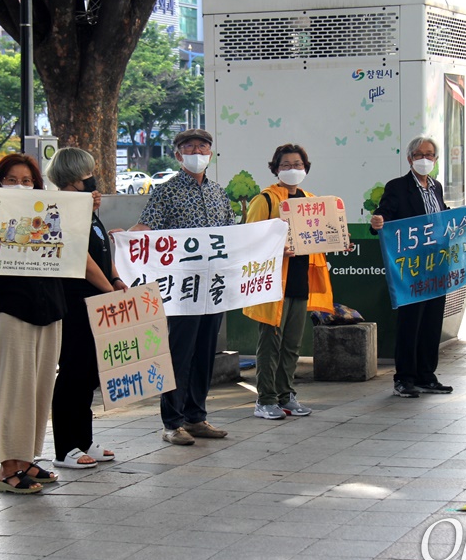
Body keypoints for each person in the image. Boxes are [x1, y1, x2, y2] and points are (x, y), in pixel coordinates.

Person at [0, 154, 65, 493]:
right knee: (13, 391)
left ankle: (27, 458)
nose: (20, 185)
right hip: (12, 310)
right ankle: (8, 467)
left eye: (27, 180)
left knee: (39, 389)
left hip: (51, 311)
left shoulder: (50, 214)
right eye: (11, 179)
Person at [129, 129, 235, 445]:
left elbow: (233, 234)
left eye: (203, 146)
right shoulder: (167, 192)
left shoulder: (219, 192)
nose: (197, 151)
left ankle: (197, 416)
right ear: (178, 155)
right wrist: (126, 238)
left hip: (212, 286)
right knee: (178, 353)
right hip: (181, 287)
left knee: (205, 353)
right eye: (189, 146)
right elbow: (146, 228)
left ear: (211, 153)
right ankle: (172, 422)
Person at [370, 136, 466, 397]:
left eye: (429, 155)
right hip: (412, 268)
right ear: (409, 158)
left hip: (437, 265)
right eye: (419, 155)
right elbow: (385, 215)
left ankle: (427, 375)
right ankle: (404, 378)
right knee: (410, 323)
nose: (424, 159)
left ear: (436, 160)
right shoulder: (398, 187)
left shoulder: (436, 187)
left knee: (432, 322)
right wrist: (377, 222)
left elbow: (446, 217)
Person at [243, 143, 335, 420]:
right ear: (275, 169)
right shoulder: (266, 200)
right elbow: (250, 240)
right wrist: (276, 249)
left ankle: (286, 395)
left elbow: (322, 236)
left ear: (306, 168)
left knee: (293, 343)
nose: (292, 170)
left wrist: (336, 241)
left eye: (297, 165)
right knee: (271, 340)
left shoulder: (311, 200)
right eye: (286, 165)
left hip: (299, 279)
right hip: (273, 282)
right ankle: (265, 399)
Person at [47, 147, 125, 468]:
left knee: (90, 372)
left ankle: (84, 440)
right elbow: (80, 257)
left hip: (96, 298)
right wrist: (109, 289)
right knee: (73, 373)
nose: (92, 177)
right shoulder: (63, 209)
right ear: (74, 175)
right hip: (75, 300)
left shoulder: (87, 207)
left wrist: (117, 279)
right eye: (87, 172)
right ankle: (66, 447)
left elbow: (102, 247)